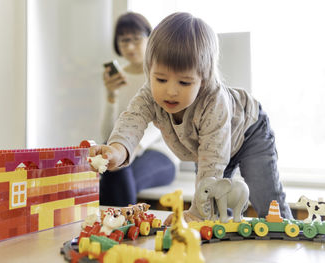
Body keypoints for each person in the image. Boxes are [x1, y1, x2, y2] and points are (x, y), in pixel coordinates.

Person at [93, 12, 293, 223]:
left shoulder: (213, 101)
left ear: (203, 80)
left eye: (184, 83)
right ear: (149, 71)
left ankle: (290, 241)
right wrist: (117, 149)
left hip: (249, 132)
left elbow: (212, 163)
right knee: (213, 209)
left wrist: (196, 213)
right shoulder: (149, 94)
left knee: (267, 203)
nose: (170, 91)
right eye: (161, 79)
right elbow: (131, 121)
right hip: (208, 149)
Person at [100, 12, 179, 206]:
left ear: (150, 39)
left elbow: (161, 121)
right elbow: (108, 133)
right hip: (125, 148)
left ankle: (113, 229)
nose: (130, 46)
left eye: (136, 39)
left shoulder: (160, 74)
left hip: (160, 153)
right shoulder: (117, 77)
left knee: (117, 174)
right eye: (124, 40)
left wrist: (134, 146)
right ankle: (118, 229)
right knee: (114, 172)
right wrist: (111, 95)